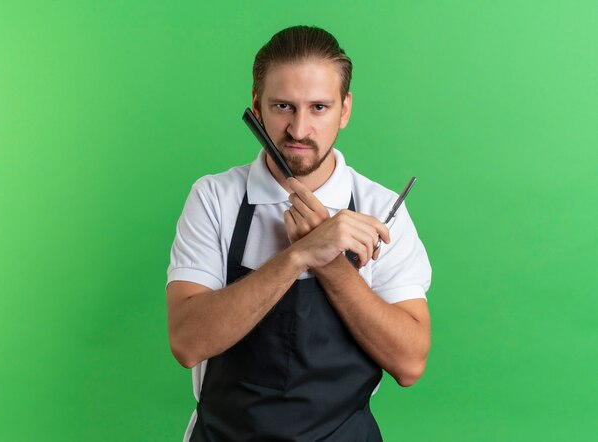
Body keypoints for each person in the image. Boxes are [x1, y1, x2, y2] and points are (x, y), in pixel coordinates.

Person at [166, 25, 432, 441]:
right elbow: (186, 341)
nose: (299, 129)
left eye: (319, 108)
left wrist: (334, 267)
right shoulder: (215, 198)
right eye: (283, 106)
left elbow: (411, 363)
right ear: (256, 106)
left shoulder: (380, 209)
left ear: (345, 109)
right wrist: (298, 255)